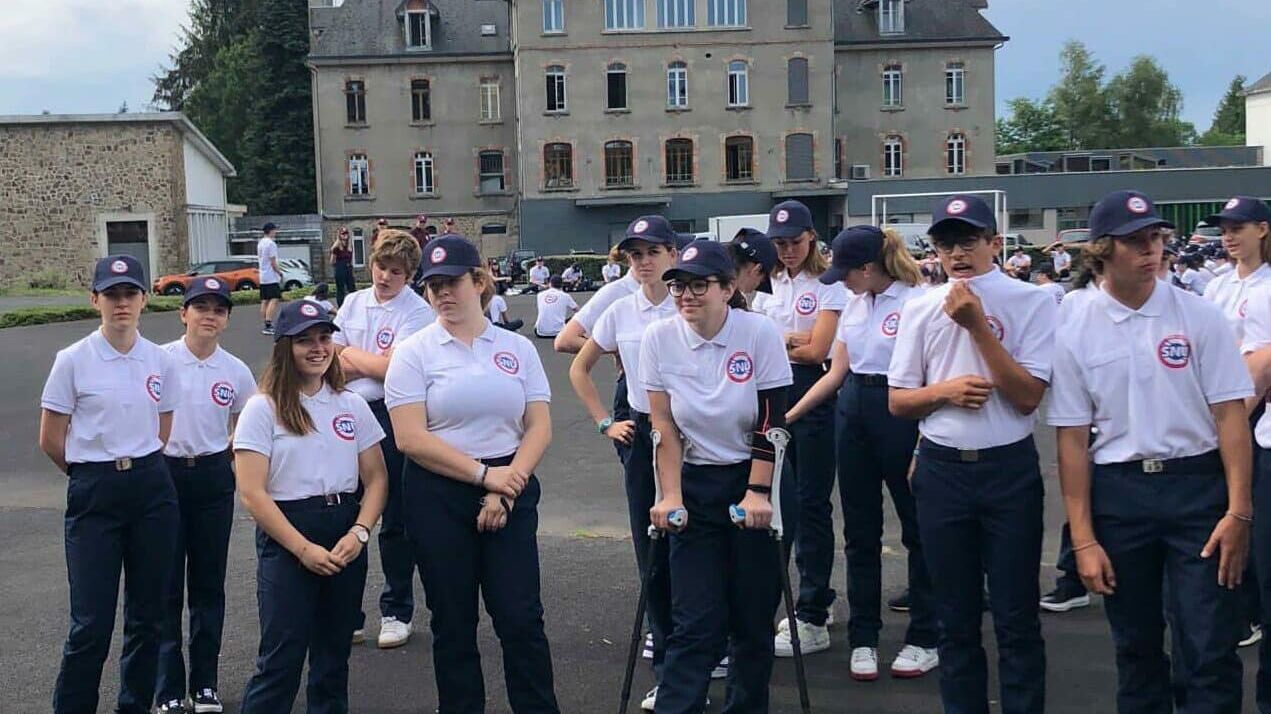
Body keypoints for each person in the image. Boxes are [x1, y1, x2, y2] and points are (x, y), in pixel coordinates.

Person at [1051, 190, 1252, 713]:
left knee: (1208, 644)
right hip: (1121, 493)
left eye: (1156, 238)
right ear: (1102, 250)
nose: (1151, 250)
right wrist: (1084, 538)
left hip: (1197, 489)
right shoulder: (1075, 326)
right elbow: (1071, 439)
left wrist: (1238, 510)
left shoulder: (1200, 317)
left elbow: (1231, 416)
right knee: (1136, 647)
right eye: (1135, 241)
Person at [888, 194, 1056, 714]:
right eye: (945, 243)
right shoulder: (917, 305)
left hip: (1008, 468)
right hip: (943, 470)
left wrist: (978, 327)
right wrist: (944, 392)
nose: (957, 253)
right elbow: (898, 400)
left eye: (969, 241)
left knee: (1016, 616)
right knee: (954, 618)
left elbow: (1029, 395)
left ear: (995, 244)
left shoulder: (1032, 301)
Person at [385, 234, 561, 713]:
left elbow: (538, 426)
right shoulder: (414, 351)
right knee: (453, 622)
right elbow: (410, 439)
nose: (443, 293)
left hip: (511, 485)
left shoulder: (516, 348)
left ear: (479, 281)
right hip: (438, 493)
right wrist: (486, 478)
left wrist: (506, 488)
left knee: (520, 617)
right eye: (433, 285)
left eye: (453, 282)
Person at [641, 239, 793, 712]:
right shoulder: (659, 338)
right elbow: (662, 426)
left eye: (699, 285)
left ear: (728, 288)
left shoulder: (758, 333)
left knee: (751, 618)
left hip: (754, 476)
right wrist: (670, 496)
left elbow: (771, 420)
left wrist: (757, 492)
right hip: (696, 480)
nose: (686, 295)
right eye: (679, 286)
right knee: (694, 619)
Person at [785, 226, 939, 681]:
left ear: (869, 268)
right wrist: (789, 416)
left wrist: (925, 440)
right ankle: (864, 635)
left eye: (847, 273)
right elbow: (836, 373)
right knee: (859, 530)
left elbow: (932, 375)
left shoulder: (919, 302)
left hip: (902, 411)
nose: (842, 282)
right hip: (853, 411)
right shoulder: (856, 304)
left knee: (917, 527)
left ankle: (925, 634)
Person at [39, 255, 182, 714]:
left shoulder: (160, 360)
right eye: (112, 294)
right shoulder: (73, 361)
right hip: (95, 492)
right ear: (95, 299)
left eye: (130, 294)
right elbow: (51, 439)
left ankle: (134, 705)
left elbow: (162, 430)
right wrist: (91, 473)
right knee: (91, 624)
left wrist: (132, 466)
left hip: (149, 488)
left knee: (147, 617)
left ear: (144, 299)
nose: (122, 303)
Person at [233, 300, 388, 712]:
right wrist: (302, 549)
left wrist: (360, 532)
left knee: (333, 658)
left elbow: (376, 479)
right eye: (305, 341)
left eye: (324, 338)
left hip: (343, 530)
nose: (318, 348)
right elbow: (252, 492)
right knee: (281, 659)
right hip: (288, 533)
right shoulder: (262, 408)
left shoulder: (351, 404)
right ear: (285, 347)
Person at [567, 216, 680, 709]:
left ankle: (701, 639)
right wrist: (603, 423)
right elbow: (577, 364)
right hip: (640, 427)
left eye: (652, 252)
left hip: (690, 430)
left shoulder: (688, 301)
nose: (644, 262)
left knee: (694, 538)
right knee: (648, 538)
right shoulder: (621, 308)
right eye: (635, 255)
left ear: (672, 254)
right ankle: (665, 645)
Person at [154, 277, 257, 714]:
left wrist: (228, 452)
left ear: (226, 319)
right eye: (201, 307)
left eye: (218, 309)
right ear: (184, 314)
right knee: (163, 586)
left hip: (213, 476)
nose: (209, 316)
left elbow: (249, 423)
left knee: (208, 585)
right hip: (165, 475)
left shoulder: (235, 371)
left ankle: (206, 685)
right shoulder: (158, 361)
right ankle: (168, 688)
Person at [331, 230, 435, 649]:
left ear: (410, 276)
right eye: (380, 267)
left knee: (395, 517)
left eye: (396, 272)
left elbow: (394, 370)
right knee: (346, 514)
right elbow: (327, 360)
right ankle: (346, 612)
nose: (385, 277)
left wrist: (352, 357)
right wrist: (364, 362)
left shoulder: (416, 312)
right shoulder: (354, 302)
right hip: (346, 413)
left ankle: (396, 611)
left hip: (391, 413)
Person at [757, 200, 848, 657]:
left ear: (811, 236)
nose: (787, 250)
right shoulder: (765, 282)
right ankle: (775, 600)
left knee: (811, 503)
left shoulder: (828, 283)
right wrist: (793, 339)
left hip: (812, 393)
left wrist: (779, 340)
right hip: (769, 392)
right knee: (770, 499)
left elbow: (818, 351)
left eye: (794, 241)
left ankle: (813, 607)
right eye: (780, 243)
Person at [729, 227, 778, 311]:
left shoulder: (712, 281)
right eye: (761, 281)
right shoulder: (728, 301)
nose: (756, 287)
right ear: (757, 270)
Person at [258, 222, 283, 335]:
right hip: (271, 276)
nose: (276, 232)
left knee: (265, 300)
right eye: (274, 230)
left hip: (263, 275)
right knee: (274, 298)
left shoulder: (261, 243)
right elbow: (273, 261)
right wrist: (280, 272)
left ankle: (265, 322)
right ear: (270, 231)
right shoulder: (271, 244)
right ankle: (268, 324)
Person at [331, 228, 357, 307]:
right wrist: (338, 266)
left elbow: (351, 258)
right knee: (340, 289)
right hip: (340, 267)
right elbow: (332, 261)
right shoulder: (336, 247)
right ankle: (341, 306)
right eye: (343, 234)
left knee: (352, 288)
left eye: (346, 233)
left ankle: (354, 305)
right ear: (340, 235)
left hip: (348, 267)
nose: (345, 235)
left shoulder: (349, 246)